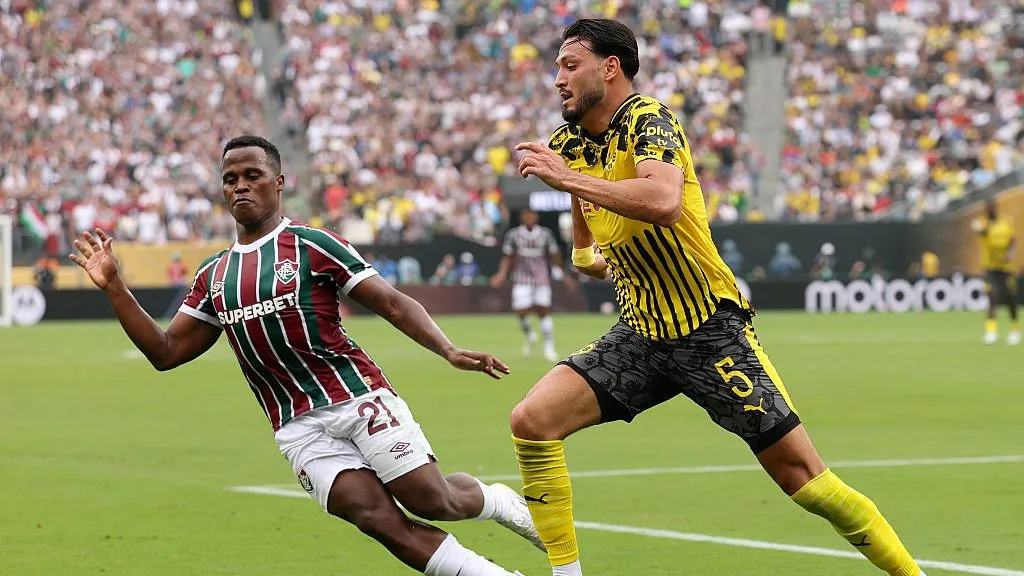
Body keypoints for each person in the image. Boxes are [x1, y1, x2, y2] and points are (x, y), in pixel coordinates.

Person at [508, 19, 927, 576]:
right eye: (557, 66)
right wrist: (591, 256)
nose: (557, 78)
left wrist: (568, 183)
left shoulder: (648, 121)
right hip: (641, 334)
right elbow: (585, 248)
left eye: (569, 65)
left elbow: (662, 201)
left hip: (709, 330)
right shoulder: (567, 146)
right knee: (531, 420)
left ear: (610, 68)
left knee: (804, 481)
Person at [69, 135, 541, 576]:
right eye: (230, 179)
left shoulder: (314, 244)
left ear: (278, 182)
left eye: (252, 175)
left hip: (357, 399)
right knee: (377, 520)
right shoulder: (214, 275)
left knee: (432, 500)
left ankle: (498, 501)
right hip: (296, 428)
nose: (240, 187)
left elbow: (392, 303)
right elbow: (166, 352)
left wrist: (449, 349)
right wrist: (115, 287)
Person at [490, 208, 572, 361]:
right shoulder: (514, 235)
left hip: (541, 279)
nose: (528, 217)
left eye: (531, 215)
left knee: (543, 311)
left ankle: (549, 348)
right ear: (522, 217)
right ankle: (530, 334)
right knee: (521, 311)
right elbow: (508, 256)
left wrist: (564, 275)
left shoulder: (545, 234)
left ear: (536, 217)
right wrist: (501, 274)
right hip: (522, 279)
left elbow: (554, 254)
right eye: (526, 214)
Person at [973, 199, 1019, 345]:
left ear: (996, 208)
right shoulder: (983, 223)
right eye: (988, 208)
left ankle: (1015, 330)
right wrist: (984, 227)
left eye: (992, 207)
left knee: (1009, 298)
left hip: (1006, 267)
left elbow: (1013, 241)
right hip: (990, 267)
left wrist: (1010, 254)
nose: (991, 210)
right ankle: (991, 331)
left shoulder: (1006, 222)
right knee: (992, 295)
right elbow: (979, 230)